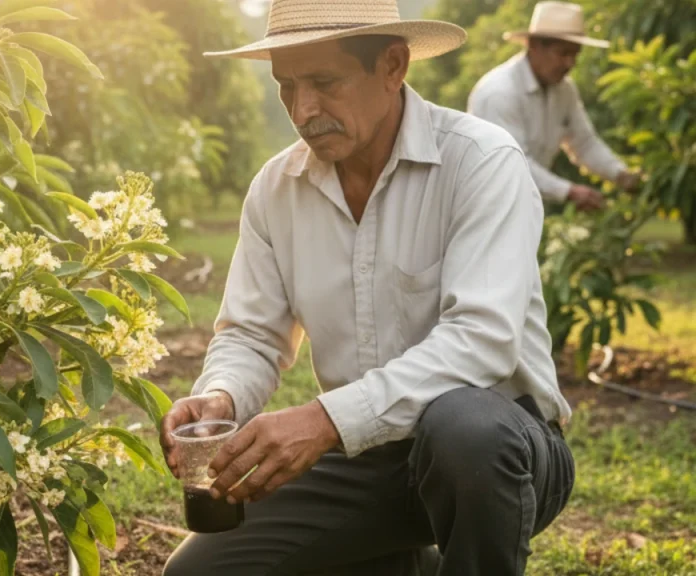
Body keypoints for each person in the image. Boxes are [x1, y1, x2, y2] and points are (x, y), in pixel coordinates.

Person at [158, 1, 575, 575]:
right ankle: (405, 560)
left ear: (393, 65)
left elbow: (482, 341)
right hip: (367, 454)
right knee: (197, 574)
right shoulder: (277, 189)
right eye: (287, 87)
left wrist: (326, 421)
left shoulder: (481, 162)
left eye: (324, 82)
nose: (304, 109)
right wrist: (222, 395)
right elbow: (253, 335)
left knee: (462, 428)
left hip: (503, 451)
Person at [468, 1, 640, 212]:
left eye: (575, 54)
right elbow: (513, 164)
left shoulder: (564, 90)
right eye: (563, 53)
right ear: (534, 46)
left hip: (523, 205)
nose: (570, 64)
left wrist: (621, 175)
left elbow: (584, 143)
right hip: (485, 206)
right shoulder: (500, 92)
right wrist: (569, 191)